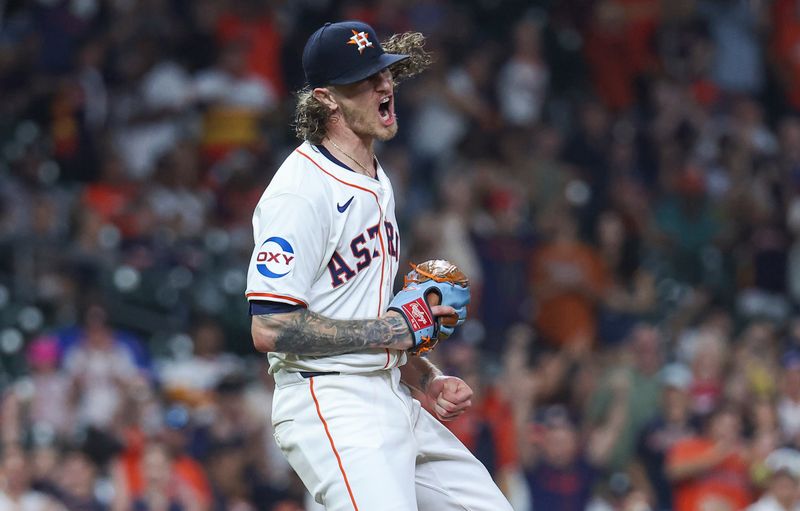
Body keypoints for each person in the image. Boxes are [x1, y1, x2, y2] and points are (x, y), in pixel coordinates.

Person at [245, 20, 512, 511]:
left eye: (383, 73)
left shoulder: (376, 177)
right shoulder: (300, 193)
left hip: (390, 392)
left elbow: (368, 314)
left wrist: (425, 376)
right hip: (331, 400)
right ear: (326, 99)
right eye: (364, 80)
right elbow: (269, 325)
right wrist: (388, 333)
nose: (383, 85)